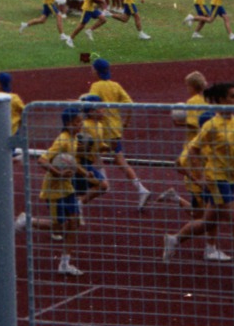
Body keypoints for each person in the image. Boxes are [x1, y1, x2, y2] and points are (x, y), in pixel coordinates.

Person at [162, 82, 234, 290]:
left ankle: (174, 240)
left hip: (231, 178)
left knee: (207, 223)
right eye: (232, 97)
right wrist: (200, 177)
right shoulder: (211, 125)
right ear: (221, 100)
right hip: (217, 179)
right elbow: (193, 150)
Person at [15, 105, 86, 278]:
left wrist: (86, 174)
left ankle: (64, 263)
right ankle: (27, 221)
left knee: (74, 223)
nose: (81, 125)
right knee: (58, 226)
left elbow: (72, 162)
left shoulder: (75, 139)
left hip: (67, 188)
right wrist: (58, 173)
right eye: (77, 122)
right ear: (68, 123)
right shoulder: (61, 140)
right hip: (54, 191)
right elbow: (42, 160)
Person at [85, 58, 152, 208]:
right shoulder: (115, 85)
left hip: (102, 130)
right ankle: (137, 188)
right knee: (114, 158)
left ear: (96, 71)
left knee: (94, 155)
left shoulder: (96, 86)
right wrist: (126, 121)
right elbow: (130, 104)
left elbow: (90, 104)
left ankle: (109, 184)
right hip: (115, 129)